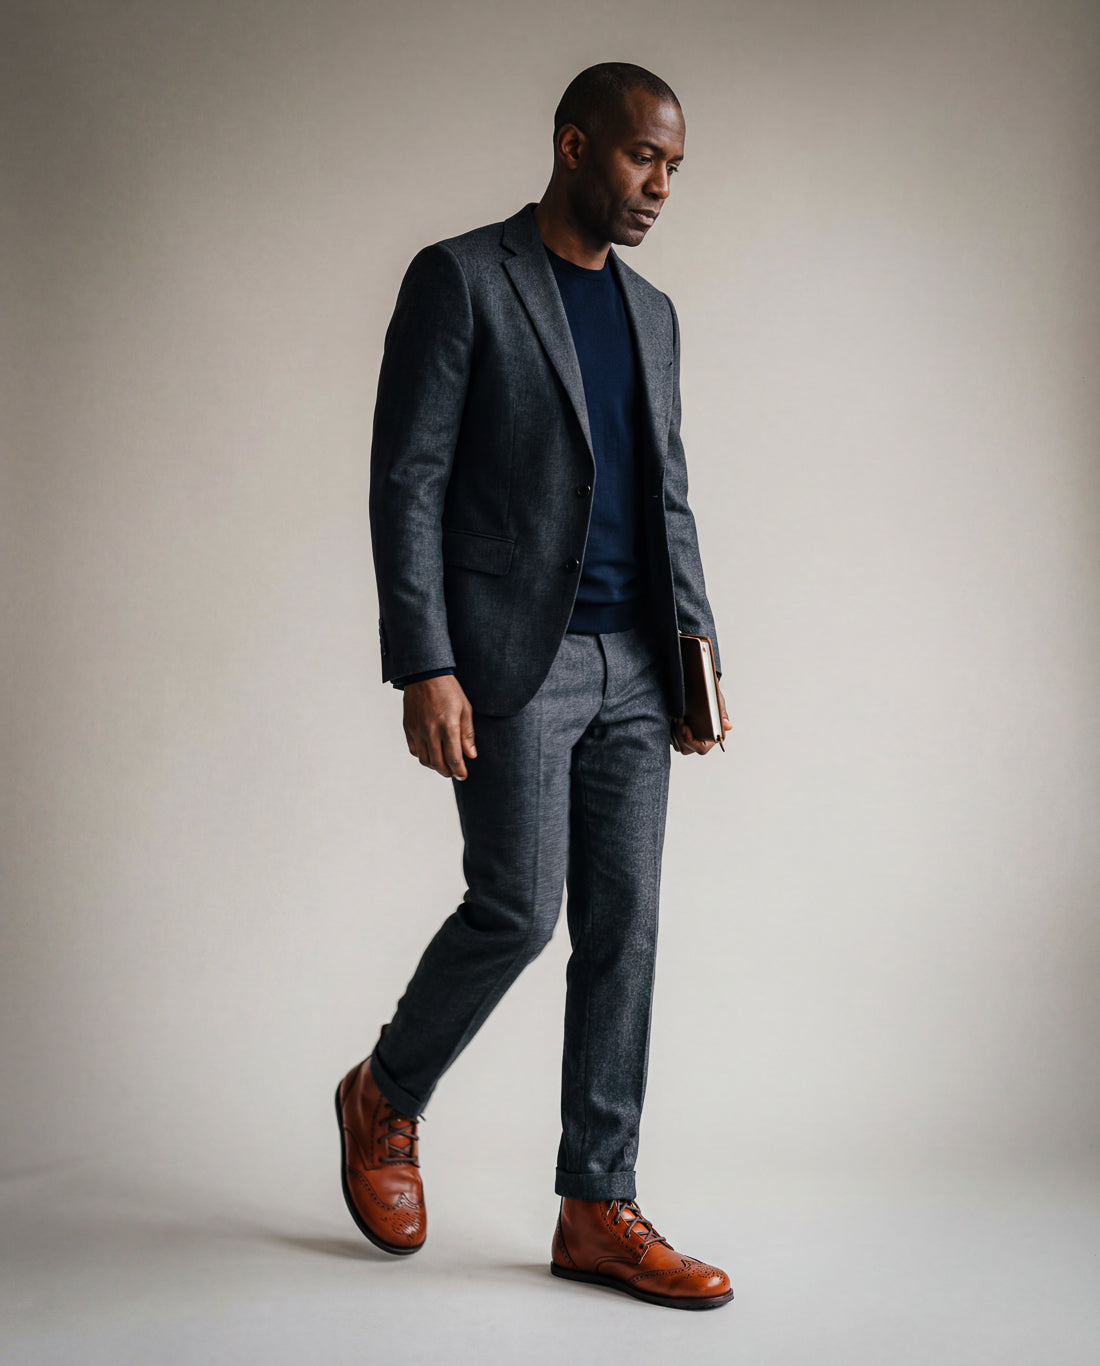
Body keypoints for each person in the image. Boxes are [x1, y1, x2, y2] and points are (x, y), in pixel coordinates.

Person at [335, 61, 734, 1311]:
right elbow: (407, 478)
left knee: (626, 928)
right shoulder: (461, 278)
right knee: (515, 906)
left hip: (634, 664)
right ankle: (385, 1093)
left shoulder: (654, 313)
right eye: (639, 159)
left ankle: (595, 1203)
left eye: (672, 166)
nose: (658, 185)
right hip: (513, 656)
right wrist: (426, 661)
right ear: (573, 146)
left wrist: (694, 655)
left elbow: (665, 492)